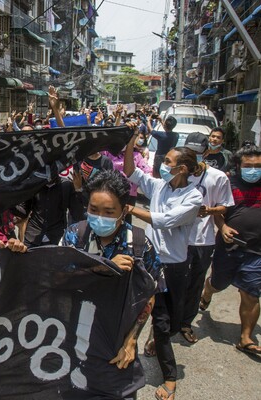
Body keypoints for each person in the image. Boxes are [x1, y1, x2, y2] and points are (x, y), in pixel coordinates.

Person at [61, 169, 164, 400]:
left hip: (117, 345)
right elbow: (59, 280)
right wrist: (102, 267)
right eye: (93, 210)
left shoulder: (139, 244)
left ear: (124, 210)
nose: (99, 217)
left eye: (109, 212)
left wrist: (132, 340)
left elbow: (149, 294)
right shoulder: (74, 237)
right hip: (75, 338)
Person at [124, 127, 203, 400]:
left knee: (163, 322)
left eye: (167, 162)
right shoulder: (159, 185)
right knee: (135, 310)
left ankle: (170, 377)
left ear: (181, 169)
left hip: (173, 266)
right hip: (148, 260)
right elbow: (132, 173)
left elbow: (165, 220)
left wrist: (130, 209)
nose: (162, 165)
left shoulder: (193, 197)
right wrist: (129, 144)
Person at [200, 143, 261, 356]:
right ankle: (207, 290)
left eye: (259, 166)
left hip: (257, 251)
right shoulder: (229, 183)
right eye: (249, 165)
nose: (254, 169)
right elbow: (219, 210)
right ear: (239, 165)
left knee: (251, 294)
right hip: (229, 247)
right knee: (218, 284)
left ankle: (245, 338)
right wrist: (223, 226)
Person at [179, 132, 234, 344]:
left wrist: (209, 211)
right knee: (171, 283)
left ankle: (185, 323)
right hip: (177, 238)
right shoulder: (176, 172)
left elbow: (225, 206)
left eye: (197, 154)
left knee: (195, 283)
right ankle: (164, 327)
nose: (192, 157)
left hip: (202, 240)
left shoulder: (218, 177)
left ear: (207, 153)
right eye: (188, 153)